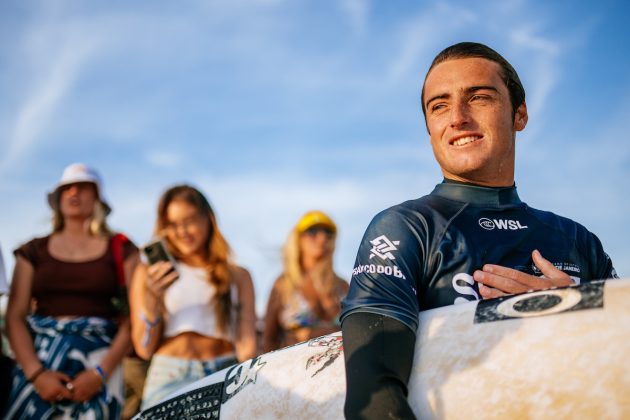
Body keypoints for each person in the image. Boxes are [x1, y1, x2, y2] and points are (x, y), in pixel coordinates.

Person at [340, 42, 619, 419]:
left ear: (519, 115)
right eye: (438, 106)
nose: (457, 117)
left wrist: (577, 312)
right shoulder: (406, 229)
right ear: (430, 131)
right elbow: (372, 398)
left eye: (479, 98)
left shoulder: (578, 240)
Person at [5, 163, 139, 419]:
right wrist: (37, 375)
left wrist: (100, 373)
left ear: (97, 198)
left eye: (83, 187)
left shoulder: (122, 250)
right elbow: (15, 317)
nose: (73, 193)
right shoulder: (32, 251)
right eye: (66, 189)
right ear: (58, 199)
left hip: (102, 366)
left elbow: (134, 317)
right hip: (38, 364)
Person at [129, 185, 256, 410]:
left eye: (190, 220)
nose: (182, 231)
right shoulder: (148, 272)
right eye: (173, 224)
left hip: (224, 373)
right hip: (170, 374)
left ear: (208, 219)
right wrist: (152, 301)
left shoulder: (239, 275)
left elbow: (247, 346)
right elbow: (144, 348)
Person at [263, 211, 349, 352]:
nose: (322, 238)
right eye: (313, 232)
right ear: (298, 239)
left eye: (328, 233)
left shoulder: (343, 286)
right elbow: (269, 340)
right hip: (294, 369)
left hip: (340, 370)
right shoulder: (284, 285)